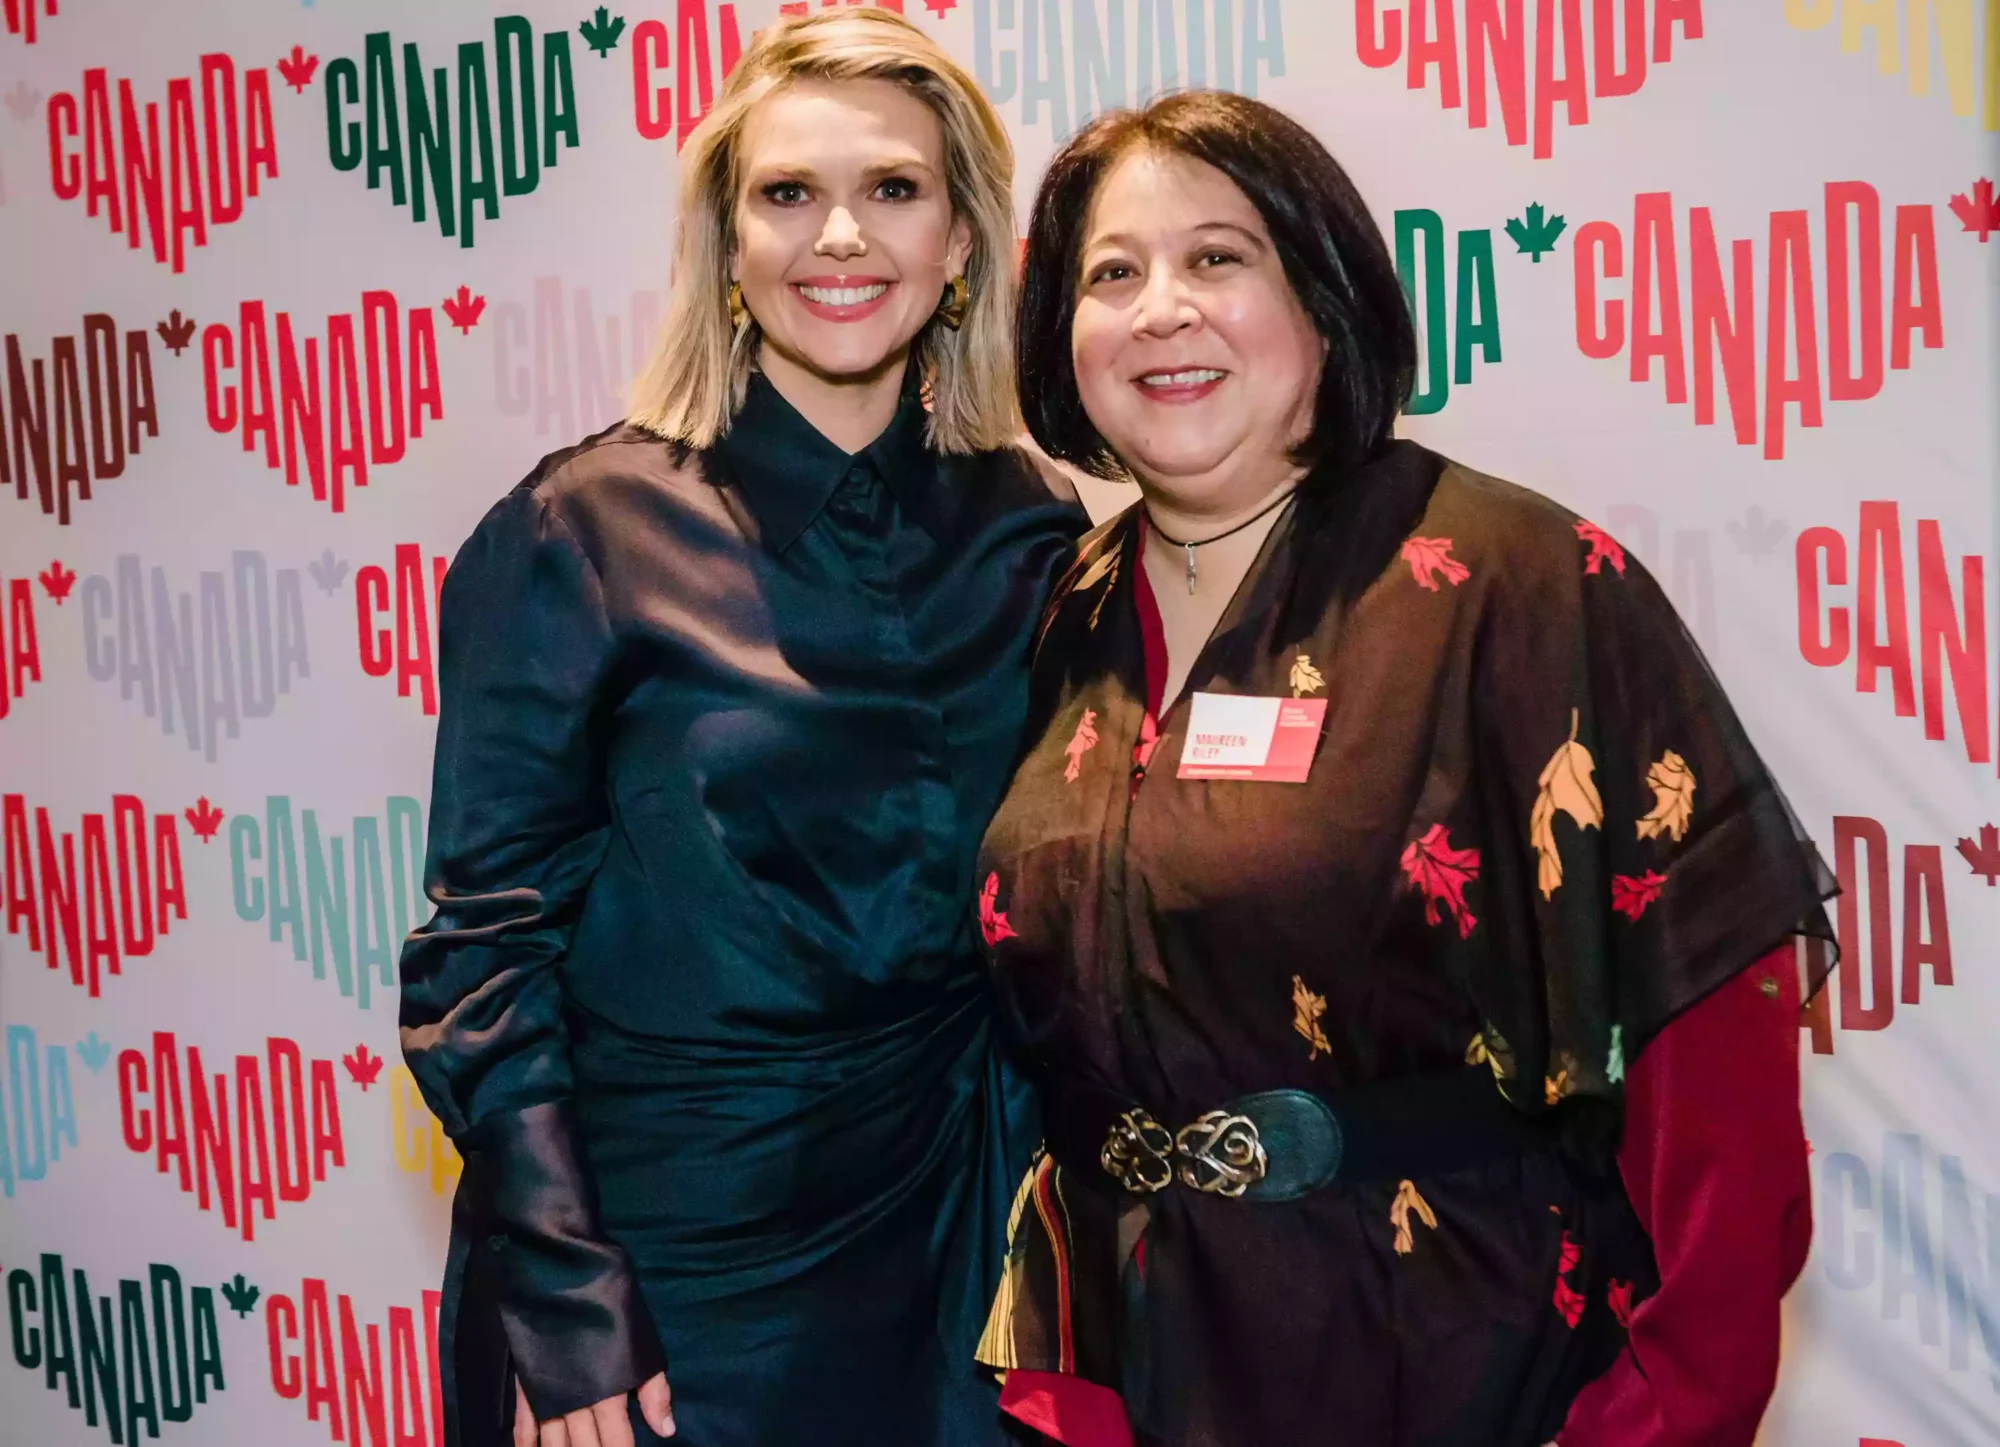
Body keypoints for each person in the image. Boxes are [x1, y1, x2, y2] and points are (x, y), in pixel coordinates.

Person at [972, 90, 1838, 1447]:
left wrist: (1662, 1418)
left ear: (1321, 298)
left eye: (1217, 257)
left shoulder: (1516, 583)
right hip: (1144, 1378)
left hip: (1449, 1361)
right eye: (1112, 273)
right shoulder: (1058, 613)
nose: (1160, 309)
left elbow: (1714, 1047)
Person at [398, 12, 1085, 1447]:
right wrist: (566, 1299)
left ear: (964, 241)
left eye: (894, 188)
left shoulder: (1035, 523)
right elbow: (481, 957)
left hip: (962, 1251)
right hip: (675, 1267)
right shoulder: (577, 532)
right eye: (788, 193)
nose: (841, 234)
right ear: (726, 241)